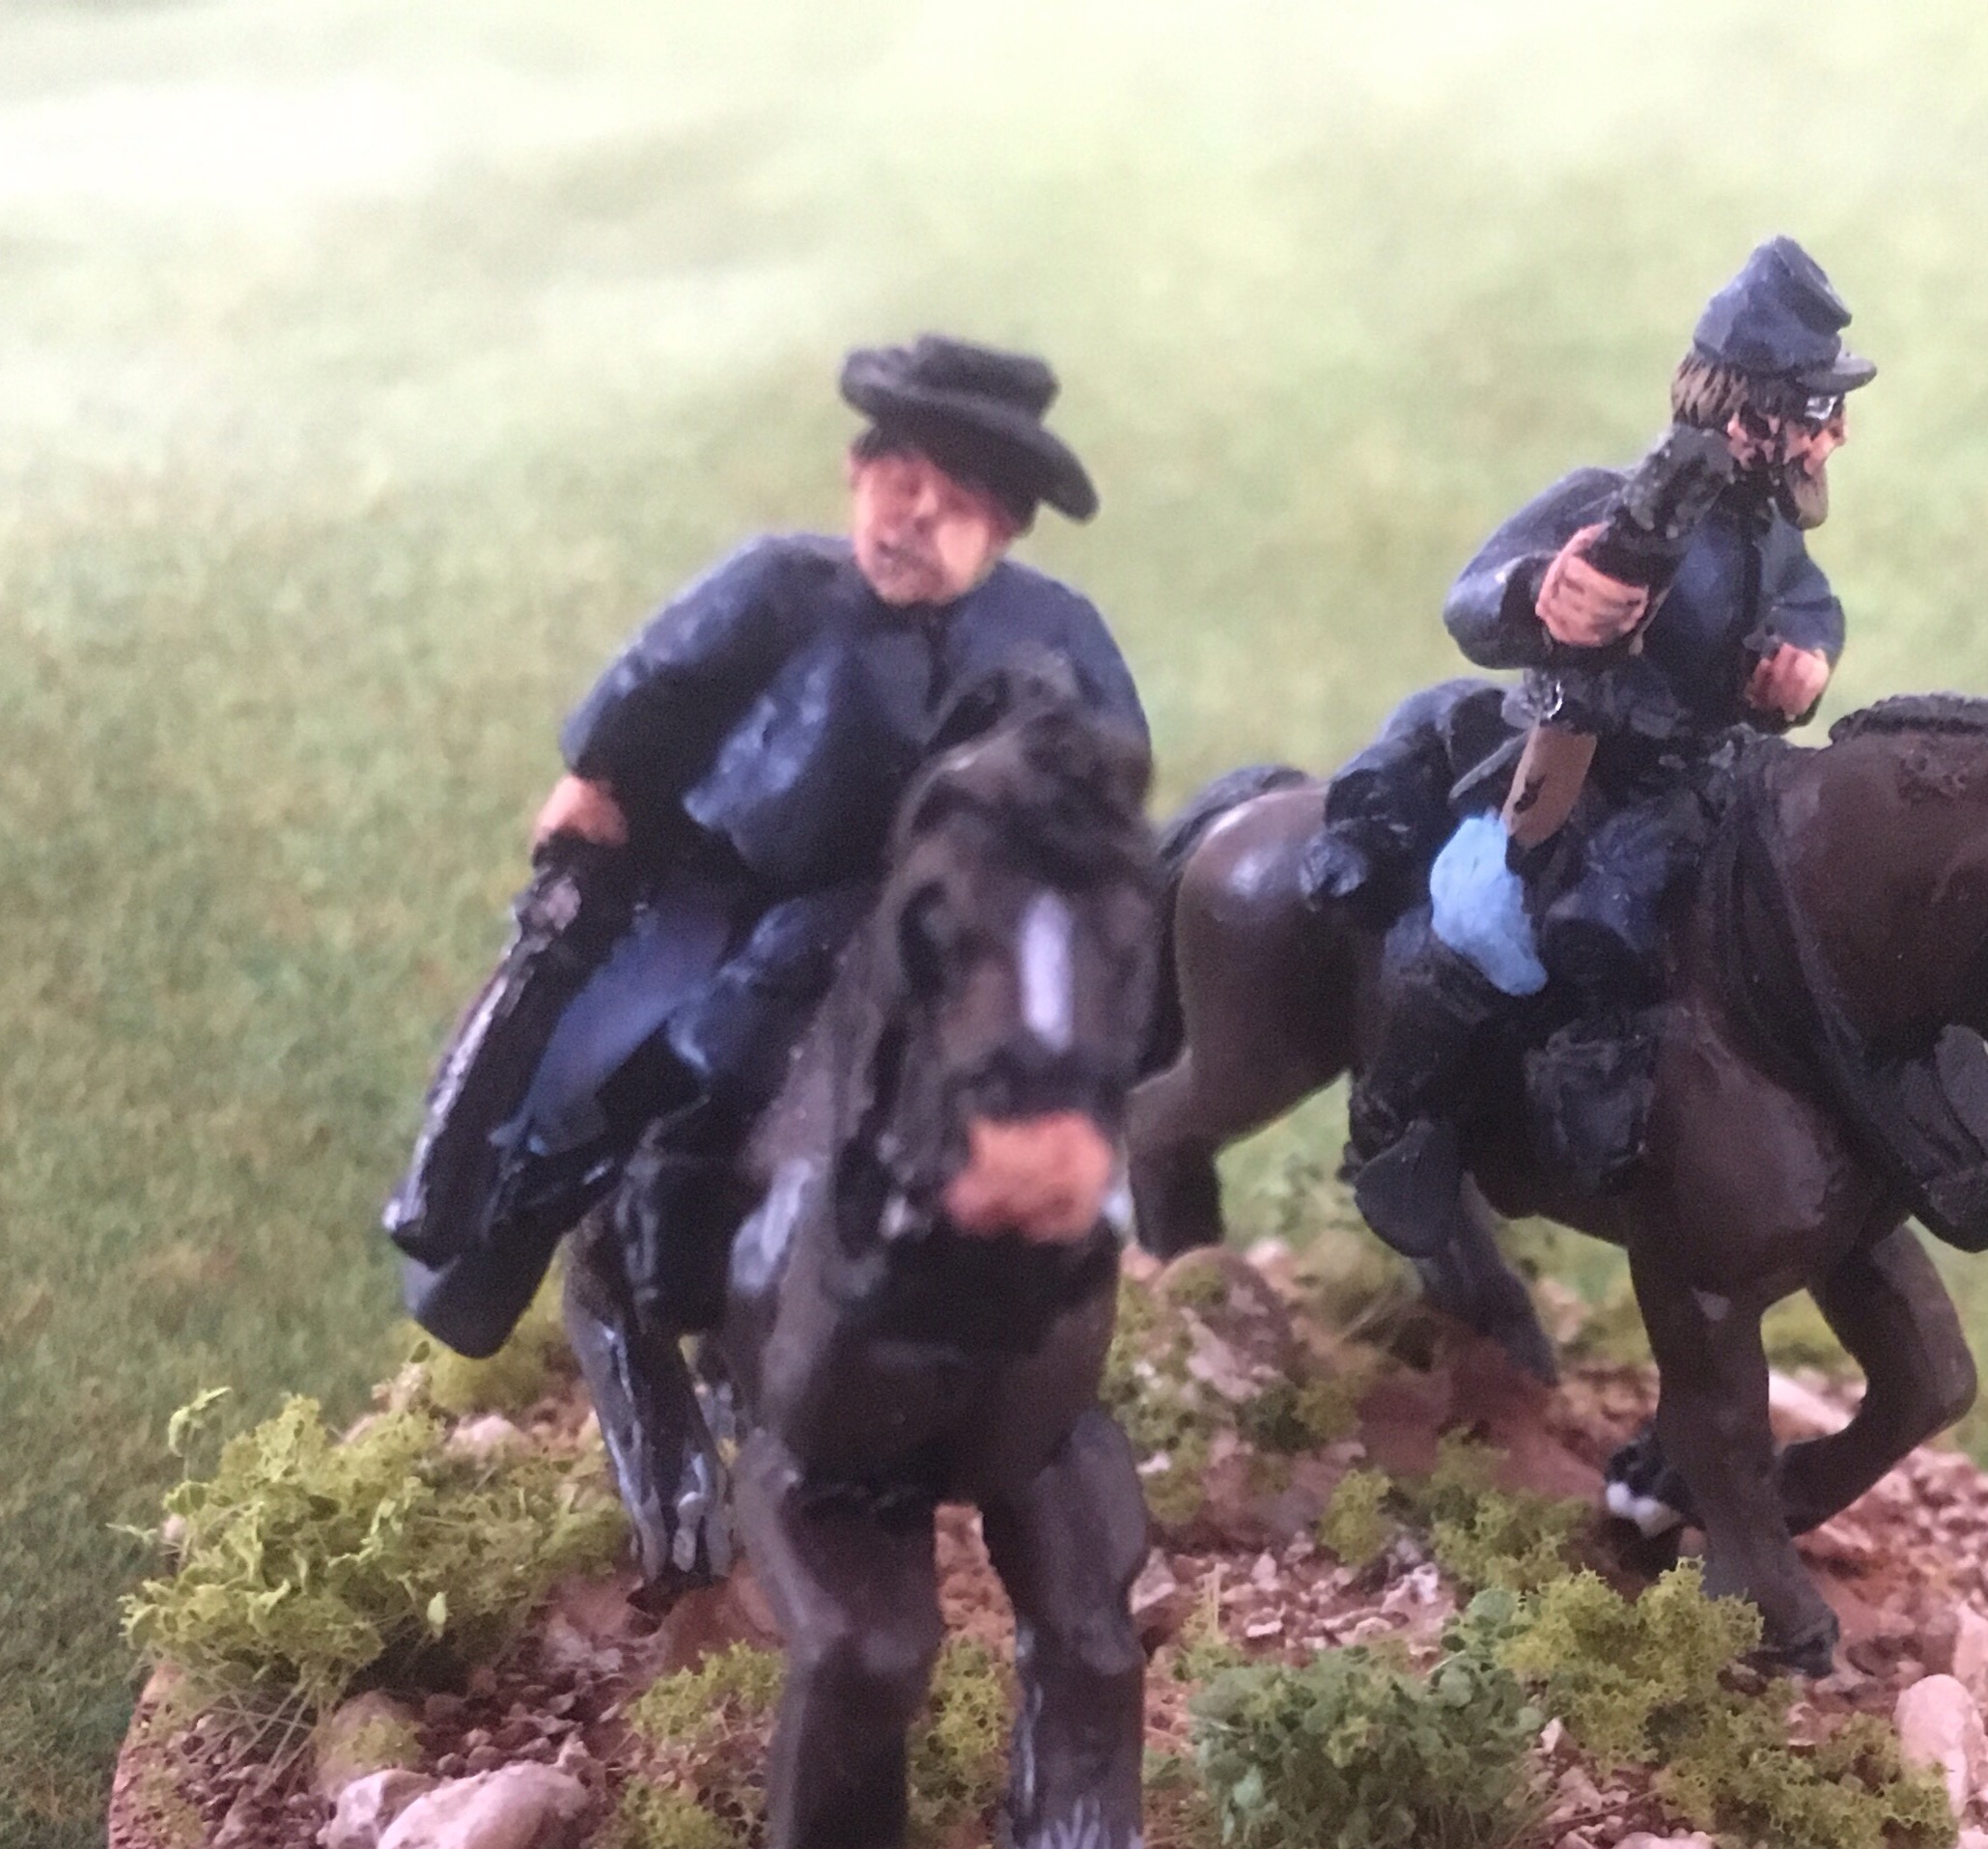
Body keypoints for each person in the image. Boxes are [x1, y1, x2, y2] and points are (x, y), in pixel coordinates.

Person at [397, 332, 1146, 1344]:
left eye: (958, 505)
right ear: (856, 473)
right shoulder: (778, 585)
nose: (917, 519)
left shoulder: (1052, 638)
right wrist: (599, 778)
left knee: (882, 1049)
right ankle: (508, 1220)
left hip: (895, 908)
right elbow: (662, 679)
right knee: (600, 1051)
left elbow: (1103, 768)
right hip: (711, 873)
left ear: (1006, 528)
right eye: (902, 484)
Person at [1331, 237, 1872, 1258]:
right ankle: (1401, 1126)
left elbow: (1810, 604)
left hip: (1709, 771)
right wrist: (1544, 594)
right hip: (1581, 761)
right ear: (1748, 412)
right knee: (1487, 914)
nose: (1832, 437)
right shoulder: (1599, 500)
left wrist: (1804, 661)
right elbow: (1471, 600)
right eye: (1815, 413)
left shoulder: (1772, 533)